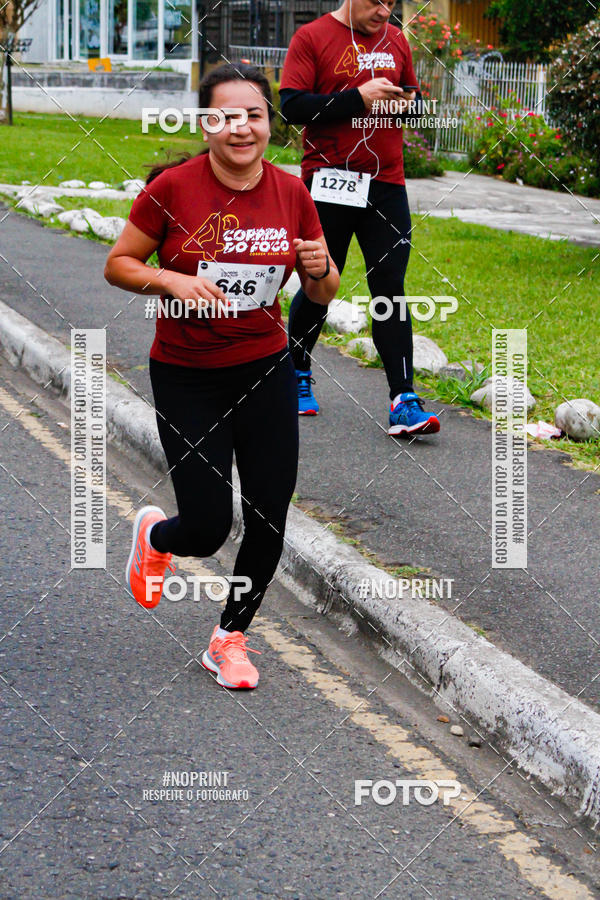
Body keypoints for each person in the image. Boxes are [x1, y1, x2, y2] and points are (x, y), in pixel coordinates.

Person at [104, 64, 339, 689]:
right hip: (187, 375)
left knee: (269, 515)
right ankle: (157, 535)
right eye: (226, 116)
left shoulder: (292, 194)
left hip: (265, 367)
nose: (241, 128)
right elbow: (119, 263)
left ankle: (230, 637)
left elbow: (323, 290)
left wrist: (320, 267)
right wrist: (172, 278)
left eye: (254, 115)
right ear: (206, 123)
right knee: (207, 527)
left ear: (269, 123)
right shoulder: (173, 190)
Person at [280, 0, 440, 436]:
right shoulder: (311, 37)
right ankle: (296, 371)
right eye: (376, 1)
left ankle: (403, 398)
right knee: (320, 280)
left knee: (390, 286)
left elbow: (416, 101)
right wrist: (357, 99)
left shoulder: (395, 39)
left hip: (387, 182)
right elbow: (292, 107)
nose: (385, 11)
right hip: (329, 179)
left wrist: (409, 103)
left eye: (392, 2)